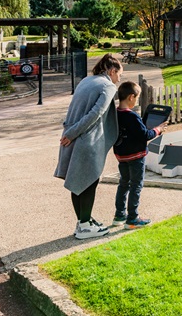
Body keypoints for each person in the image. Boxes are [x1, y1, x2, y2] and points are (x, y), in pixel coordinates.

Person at [54, 53, 122, 240]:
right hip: (86, 140)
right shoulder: (108, 86)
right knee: (89, 182)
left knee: (78, 182)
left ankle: (84, 220)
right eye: (119, 75)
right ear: (112, 71)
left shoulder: (86, 80)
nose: (118, 80)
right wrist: (74, 132)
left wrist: (70, 132)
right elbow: (96, 114)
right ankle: (84, 226)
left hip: (72, 136)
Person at [112, 81, 163, 229]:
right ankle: (133, 217)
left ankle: (119, 214)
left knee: (123, 183)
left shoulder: (116, 114)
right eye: (137, 98)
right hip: (136, 157)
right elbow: (145, 135)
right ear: (131, 97)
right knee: (136, 185)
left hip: (122, 156)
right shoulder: (132, 116)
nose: (136, 101)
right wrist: (158, 129)